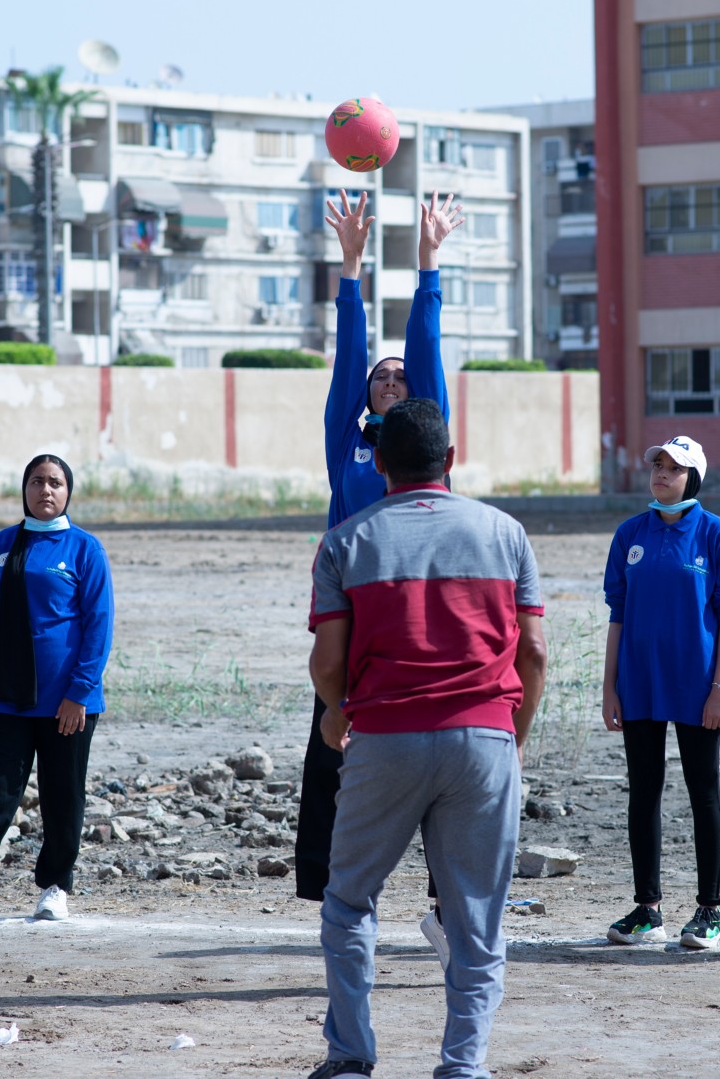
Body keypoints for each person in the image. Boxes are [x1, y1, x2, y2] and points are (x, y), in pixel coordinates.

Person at [307, 398, 547, 1079]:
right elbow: (534, 654)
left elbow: (327, 662)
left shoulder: (346, 541)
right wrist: (514, 735)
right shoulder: (505, 534)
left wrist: (336, 711)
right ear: (450, 459)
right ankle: (462, 1066)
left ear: (378, 461)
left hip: (384, 738)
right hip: (483, 741)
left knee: (351, 899)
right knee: (476, 918)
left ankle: (351, 1056)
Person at [298, 189, 461, 959]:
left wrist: (427, 263)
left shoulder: (427, 443)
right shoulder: (348, 444)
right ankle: (338, 896)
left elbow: (423, 345)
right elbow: (348, 354)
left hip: (424, 620)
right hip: (354, 623)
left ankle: (443, 903)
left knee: (433, 758)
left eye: (403, 377)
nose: (391, 380)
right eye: (381, 378)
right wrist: (353, 266)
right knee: (337, 751)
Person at [0, 454, 114, 928]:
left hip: (68, 704)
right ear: (25, 489)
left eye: (55, 482)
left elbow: (98, 627)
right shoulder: (1, 546)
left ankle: (55, 887)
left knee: (63, 796)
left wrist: (79, 692)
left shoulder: (85, 549)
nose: (46, 490)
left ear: (67, 491)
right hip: (8, 699)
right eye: (37, 481)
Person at [600, 436, 720, 950]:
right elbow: (617, 617)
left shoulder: (717, 536)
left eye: (674, 467)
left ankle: (709, 911)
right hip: (638, 684)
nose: (662, 473)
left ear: (694, 478)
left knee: (702, 788)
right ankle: (648, 908)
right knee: (643, 790)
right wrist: (609, 689)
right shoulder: (629, 535)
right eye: (657, 465)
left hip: (696, 687)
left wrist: (719, 689)